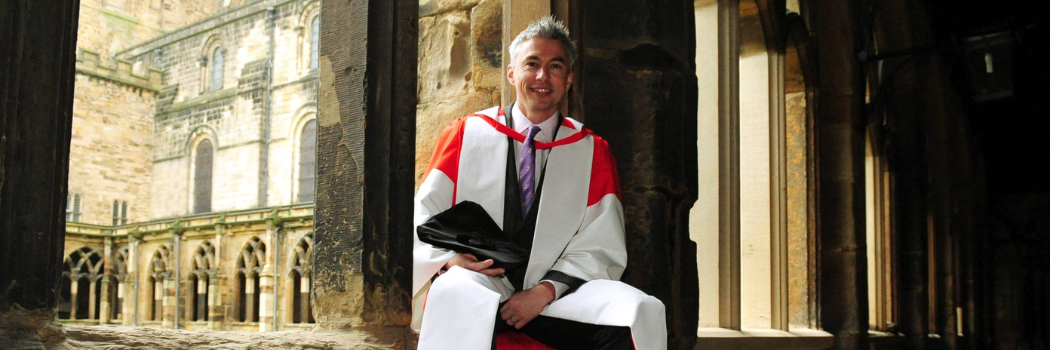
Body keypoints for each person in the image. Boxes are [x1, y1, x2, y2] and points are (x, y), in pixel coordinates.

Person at [412, 16, 666, 350]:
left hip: (559, 294)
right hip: (483, 283)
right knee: (456, 290)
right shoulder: (465, 135)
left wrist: (544, 291)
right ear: (512, 73)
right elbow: (425, 215)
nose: (543, 76)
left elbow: (601, 241)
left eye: (555, 66)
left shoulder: (591, 150)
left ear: (569, 78)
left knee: (640, 310)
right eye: (532, 64)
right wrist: (448, 259)